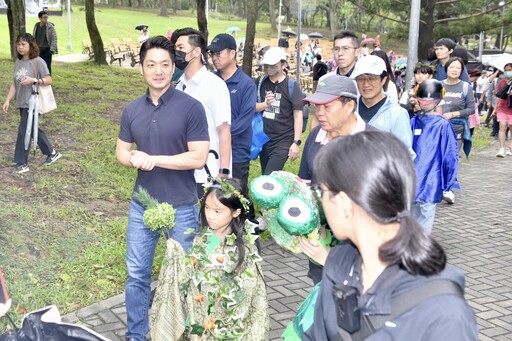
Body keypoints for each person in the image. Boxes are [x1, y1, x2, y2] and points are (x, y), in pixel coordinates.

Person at [303, 130, 479, 340]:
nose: (320, 200)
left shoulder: (443, 313)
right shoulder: (339, 266)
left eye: (321, 191)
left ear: (344, 204)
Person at [115, 35, 210, 341]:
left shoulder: (191, 107)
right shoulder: (132, 110)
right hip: (142, 204)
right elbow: (121, 153)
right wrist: (135, 160)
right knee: (137, 275)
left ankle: (184, 332)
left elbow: (198, 157)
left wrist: (152, 159)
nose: (158, 71)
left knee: (183, 277)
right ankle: (137, 335)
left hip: (182, 206)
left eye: (165, 64)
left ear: (174, 68)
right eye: (151, 64)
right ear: (141, 68)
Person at [150, 178, 269, 340]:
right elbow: (190, 274)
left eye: (218, 211)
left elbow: (248, 296)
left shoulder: (244, 250)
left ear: (236, 212)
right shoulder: (202, 237)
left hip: (222, 329)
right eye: (207, 207)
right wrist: (176, 257)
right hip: (193, 322)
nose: (210, 215)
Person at [298, 75, 373, 285]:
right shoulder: (315, 137)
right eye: (315, 107)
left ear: (349, 105)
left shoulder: (373, 142)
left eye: (327, 107)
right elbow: (305, 186)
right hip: (319, 243)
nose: (319, 113)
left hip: (359, 249)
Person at [172, 28, 232, 196]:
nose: (176, 52)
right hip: (182, 169)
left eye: (181, 48)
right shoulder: (180, 85)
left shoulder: (215, 85)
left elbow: (224, 130)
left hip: (208, 172)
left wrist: (224, 172)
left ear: (197, 51)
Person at [207, 33, 257, 221]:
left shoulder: (246, 84)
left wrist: (219, 136)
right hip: (211, 153)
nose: (215, 57)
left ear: (233, 53)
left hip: (237, 153)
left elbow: (244, 122)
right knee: (213, 199)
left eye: (219, 53)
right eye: (212, 54)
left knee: (237, 199)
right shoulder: (210, 81)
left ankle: (250, 240)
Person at [2, 33, 61, 174]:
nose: (20, 47)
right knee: (32, 129)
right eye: (18, 44)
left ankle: (22, 163)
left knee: (24, 131)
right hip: (21, 102)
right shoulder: (18, 62)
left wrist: (34, 80)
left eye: (24, 44)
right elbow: (15, 83)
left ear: (30, 45)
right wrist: (8, 99)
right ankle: (51, 153)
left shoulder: (38, 61)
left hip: (33, 102)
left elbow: (49, 80)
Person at [411, 79, 459, 233]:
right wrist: (449, 180)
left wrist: (448, 179)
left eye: (428, 100)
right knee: (418, 217)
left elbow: (450, 155)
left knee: (420, 217)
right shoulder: (414, 121)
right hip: (423, 179)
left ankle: (418, 248)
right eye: (422, 100)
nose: (425, 103)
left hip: (428, 178)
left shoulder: (442, 125)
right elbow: (451, 155)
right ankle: (417, 248)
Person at [350, 55, 415, 158]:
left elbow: (405, 156)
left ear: (384, 80)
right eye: (361, 79)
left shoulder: (397, 114)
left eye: (372, 78)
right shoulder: (349, 108)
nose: (366, 84)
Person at [255, 47, 303, 175]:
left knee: (268, 176)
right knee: (266, 175)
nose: (269, 68)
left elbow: (298, 115)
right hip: (263, 139)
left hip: (283, 140)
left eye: (273, 65)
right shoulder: (260, 83)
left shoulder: (292, 86)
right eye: (267, 65)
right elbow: (250, 107)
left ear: (283, 64)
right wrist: (264, 104)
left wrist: (296, 142)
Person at [493, 62, 512, 157]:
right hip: (502, 107)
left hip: (511, 108)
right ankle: (501, 149)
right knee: (502, 126)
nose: (508, 72)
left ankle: (511, 148)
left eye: (510, 70)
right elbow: (499, 96)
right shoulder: (502, 82)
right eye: (506, 70)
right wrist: (495, 109)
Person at [32, 10, 58, 75]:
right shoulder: (36, 25)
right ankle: (37, 81)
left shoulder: (50, 26)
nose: (46, 19)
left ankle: (48, 82)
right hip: (37, 51)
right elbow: (33, 37)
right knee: (36, 67)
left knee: (47, 67)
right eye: (44, 17)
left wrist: (51, 50)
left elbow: (54, 38)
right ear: (40, 18)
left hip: (47, 51)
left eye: (47, 17)